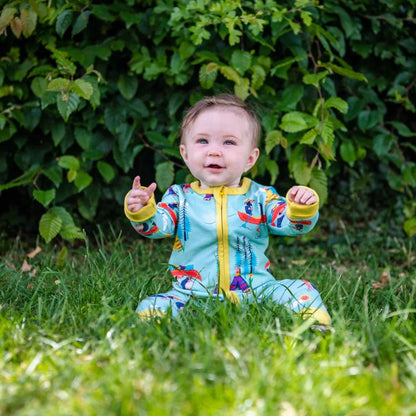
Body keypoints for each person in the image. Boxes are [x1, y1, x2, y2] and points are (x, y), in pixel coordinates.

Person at [124, 94, 331, 327]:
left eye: (229, 142)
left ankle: (315, 322)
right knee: (153, 305)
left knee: (300, 289)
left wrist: (301, 208)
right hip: (190, 293)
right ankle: (151, 325)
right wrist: (142, 210)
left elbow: (290, 224)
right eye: (203, 141)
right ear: (185, 153)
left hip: (257, 290)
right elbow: (156, 227)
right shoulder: (178, 197)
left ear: (250, 159)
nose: (214, 151)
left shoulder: (262, 197)